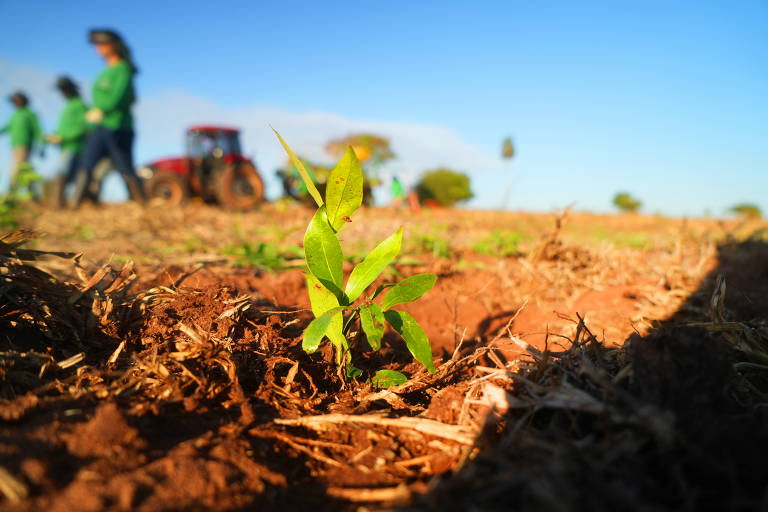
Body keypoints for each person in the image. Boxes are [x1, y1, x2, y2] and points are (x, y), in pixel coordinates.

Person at [70, 29, 146, 208]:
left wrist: (101, 109)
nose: (98, 48)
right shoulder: (105, 72)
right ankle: (75, 204)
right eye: (97, 44)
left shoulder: (123, 70)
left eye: (102, 44)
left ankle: (140, 202)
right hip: (100, 126)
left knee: (123, 164)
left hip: (118, 126)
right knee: (87, 162)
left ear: (114, 46)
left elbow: (119, 98)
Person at [46, 77, 88, 206]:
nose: (62, 93)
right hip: (66, 146)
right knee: (68, 174)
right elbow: (64, 127)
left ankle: (58, 204)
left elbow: (83, 128)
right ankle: (60, 203)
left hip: (75, 146)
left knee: (63, 174)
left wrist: (63, 138)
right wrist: (55, 136)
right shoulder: (68, 106)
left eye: (63, 90)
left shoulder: (79, 105)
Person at [0, 91, 44, 184]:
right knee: (25, 168)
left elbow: (38, 131)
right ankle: (33, 191)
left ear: (22, 101)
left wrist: (43, 145)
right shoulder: (15, 115)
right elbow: (7, 127)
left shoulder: (29, 114)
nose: (14, 103)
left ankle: (12, 189)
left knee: (18, 167)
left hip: (24, 145)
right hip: (15, 145)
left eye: (16, 100)